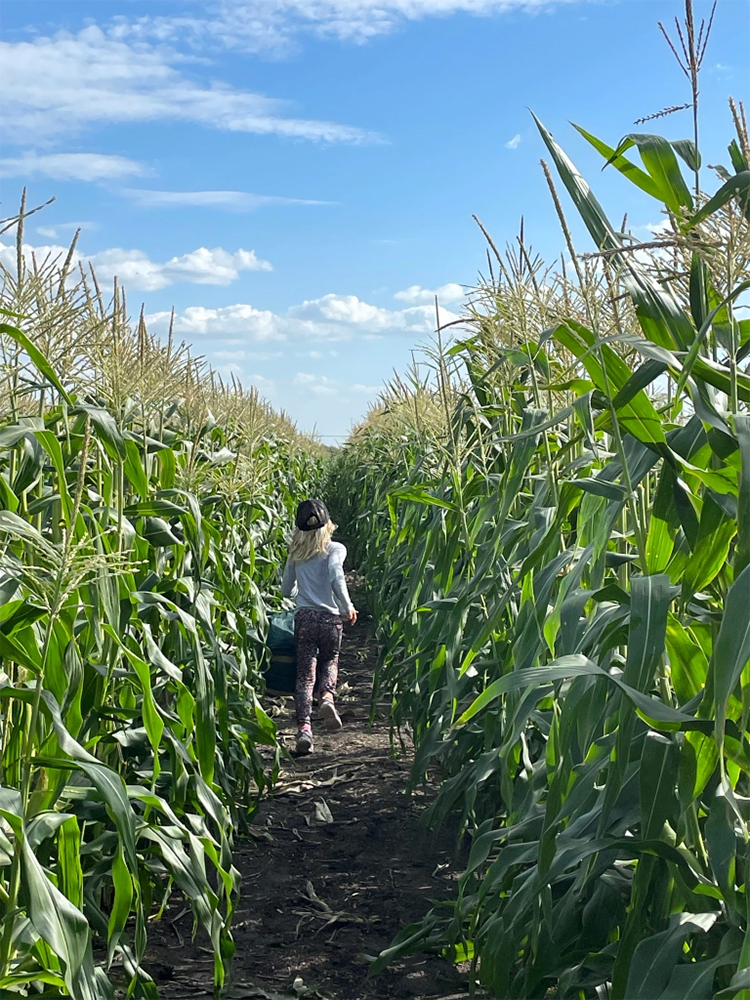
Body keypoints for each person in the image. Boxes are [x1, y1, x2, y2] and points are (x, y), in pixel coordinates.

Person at [281, 498, 357, 754]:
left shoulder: (296, 552)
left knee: (304, 676)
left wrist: (300, 588)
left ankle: (304, 730)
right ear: (328, 525)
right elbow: (336, 574)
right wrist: (347, 606)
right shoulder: (335, 549)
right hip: (330, 619)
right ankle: (326, 698)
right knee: (330, 660)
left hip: (305, 619)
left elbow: (286, 590)